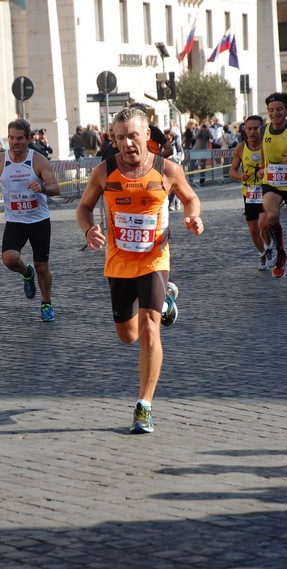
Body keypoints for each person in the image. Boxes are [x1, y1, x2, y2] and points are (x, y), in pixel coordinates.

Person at [76, 107, 204, 434]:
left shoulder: (168, 169)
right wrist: (88, 229)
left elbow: (190, 199)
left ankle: (143, 406)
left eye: (133, 135)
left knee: (149, 328)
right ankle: (168, 303)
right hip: (118, 262)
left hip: (154, 259)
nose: (127, 143)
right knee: (128, 335)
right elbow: (84, 208)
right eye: (120, 138)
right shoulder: (105, 171)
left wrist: (192, 217)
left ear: (147, 134)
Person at [0, 118, 60, 322]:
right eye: (11, 138)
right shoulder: (1, 160)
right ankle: (26, 273)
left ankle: (46, 303)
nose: (14, 142)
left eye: (19, 138)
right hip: (15, 220)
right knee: (9, 259)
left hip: (38, 221)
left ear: (28, 139)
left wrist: (43, 188)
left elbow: (56, 187)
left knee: (42, 267)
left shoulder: (38, 160)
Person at [229, 115, 275, 271]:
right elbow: (232, 171)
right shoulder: (241, 147)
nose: (253, 131)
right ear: (245, 130)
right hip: (249, 193)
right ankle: (262, 254)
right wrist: (240, 176)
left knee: (263, 225)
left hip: (266, 190)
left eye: (256, 128)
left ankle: (269, 247)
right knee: (253, 230)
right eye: (250, 128)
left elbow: (277, 165)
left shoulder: (267, 146)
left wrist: (266, 172)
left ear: (261, 129)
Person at [257, 92, 287, 278]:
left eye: (279, 109)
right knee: (272, 218)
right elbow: (263, 152)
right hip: (272, 182)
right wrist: (261, 167)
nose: (275, 113)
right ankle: (281, 254)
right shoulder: (263, 130)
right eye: (271, 110)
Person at [164, 129, 184, 210]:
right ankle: (172, 203)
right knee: (168, 187)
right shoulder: (163, 145)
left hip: (176, 168)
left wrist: (173, 157)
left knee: (175, 187)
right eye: (166, 139)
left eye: (169, 139)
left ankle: (174, 203)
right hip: (166, 169)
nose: (168, 140)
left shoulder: (177, 145)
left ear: (172, 137)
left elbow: (182, 156)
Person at [194, 121, 211, 186]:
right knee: (193, 164)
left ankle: (202, 179)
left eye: (205, 127)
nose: (204, 128)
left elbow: (211, 137)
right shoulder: (199, 131)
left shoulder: (207, 132)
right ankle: (191, 179)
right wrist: (200, 130)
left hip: (204, 150)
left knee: (203, 165)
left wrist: (208, 130)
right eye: (203, 127)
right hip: (197, 150)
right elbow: (195, 137)